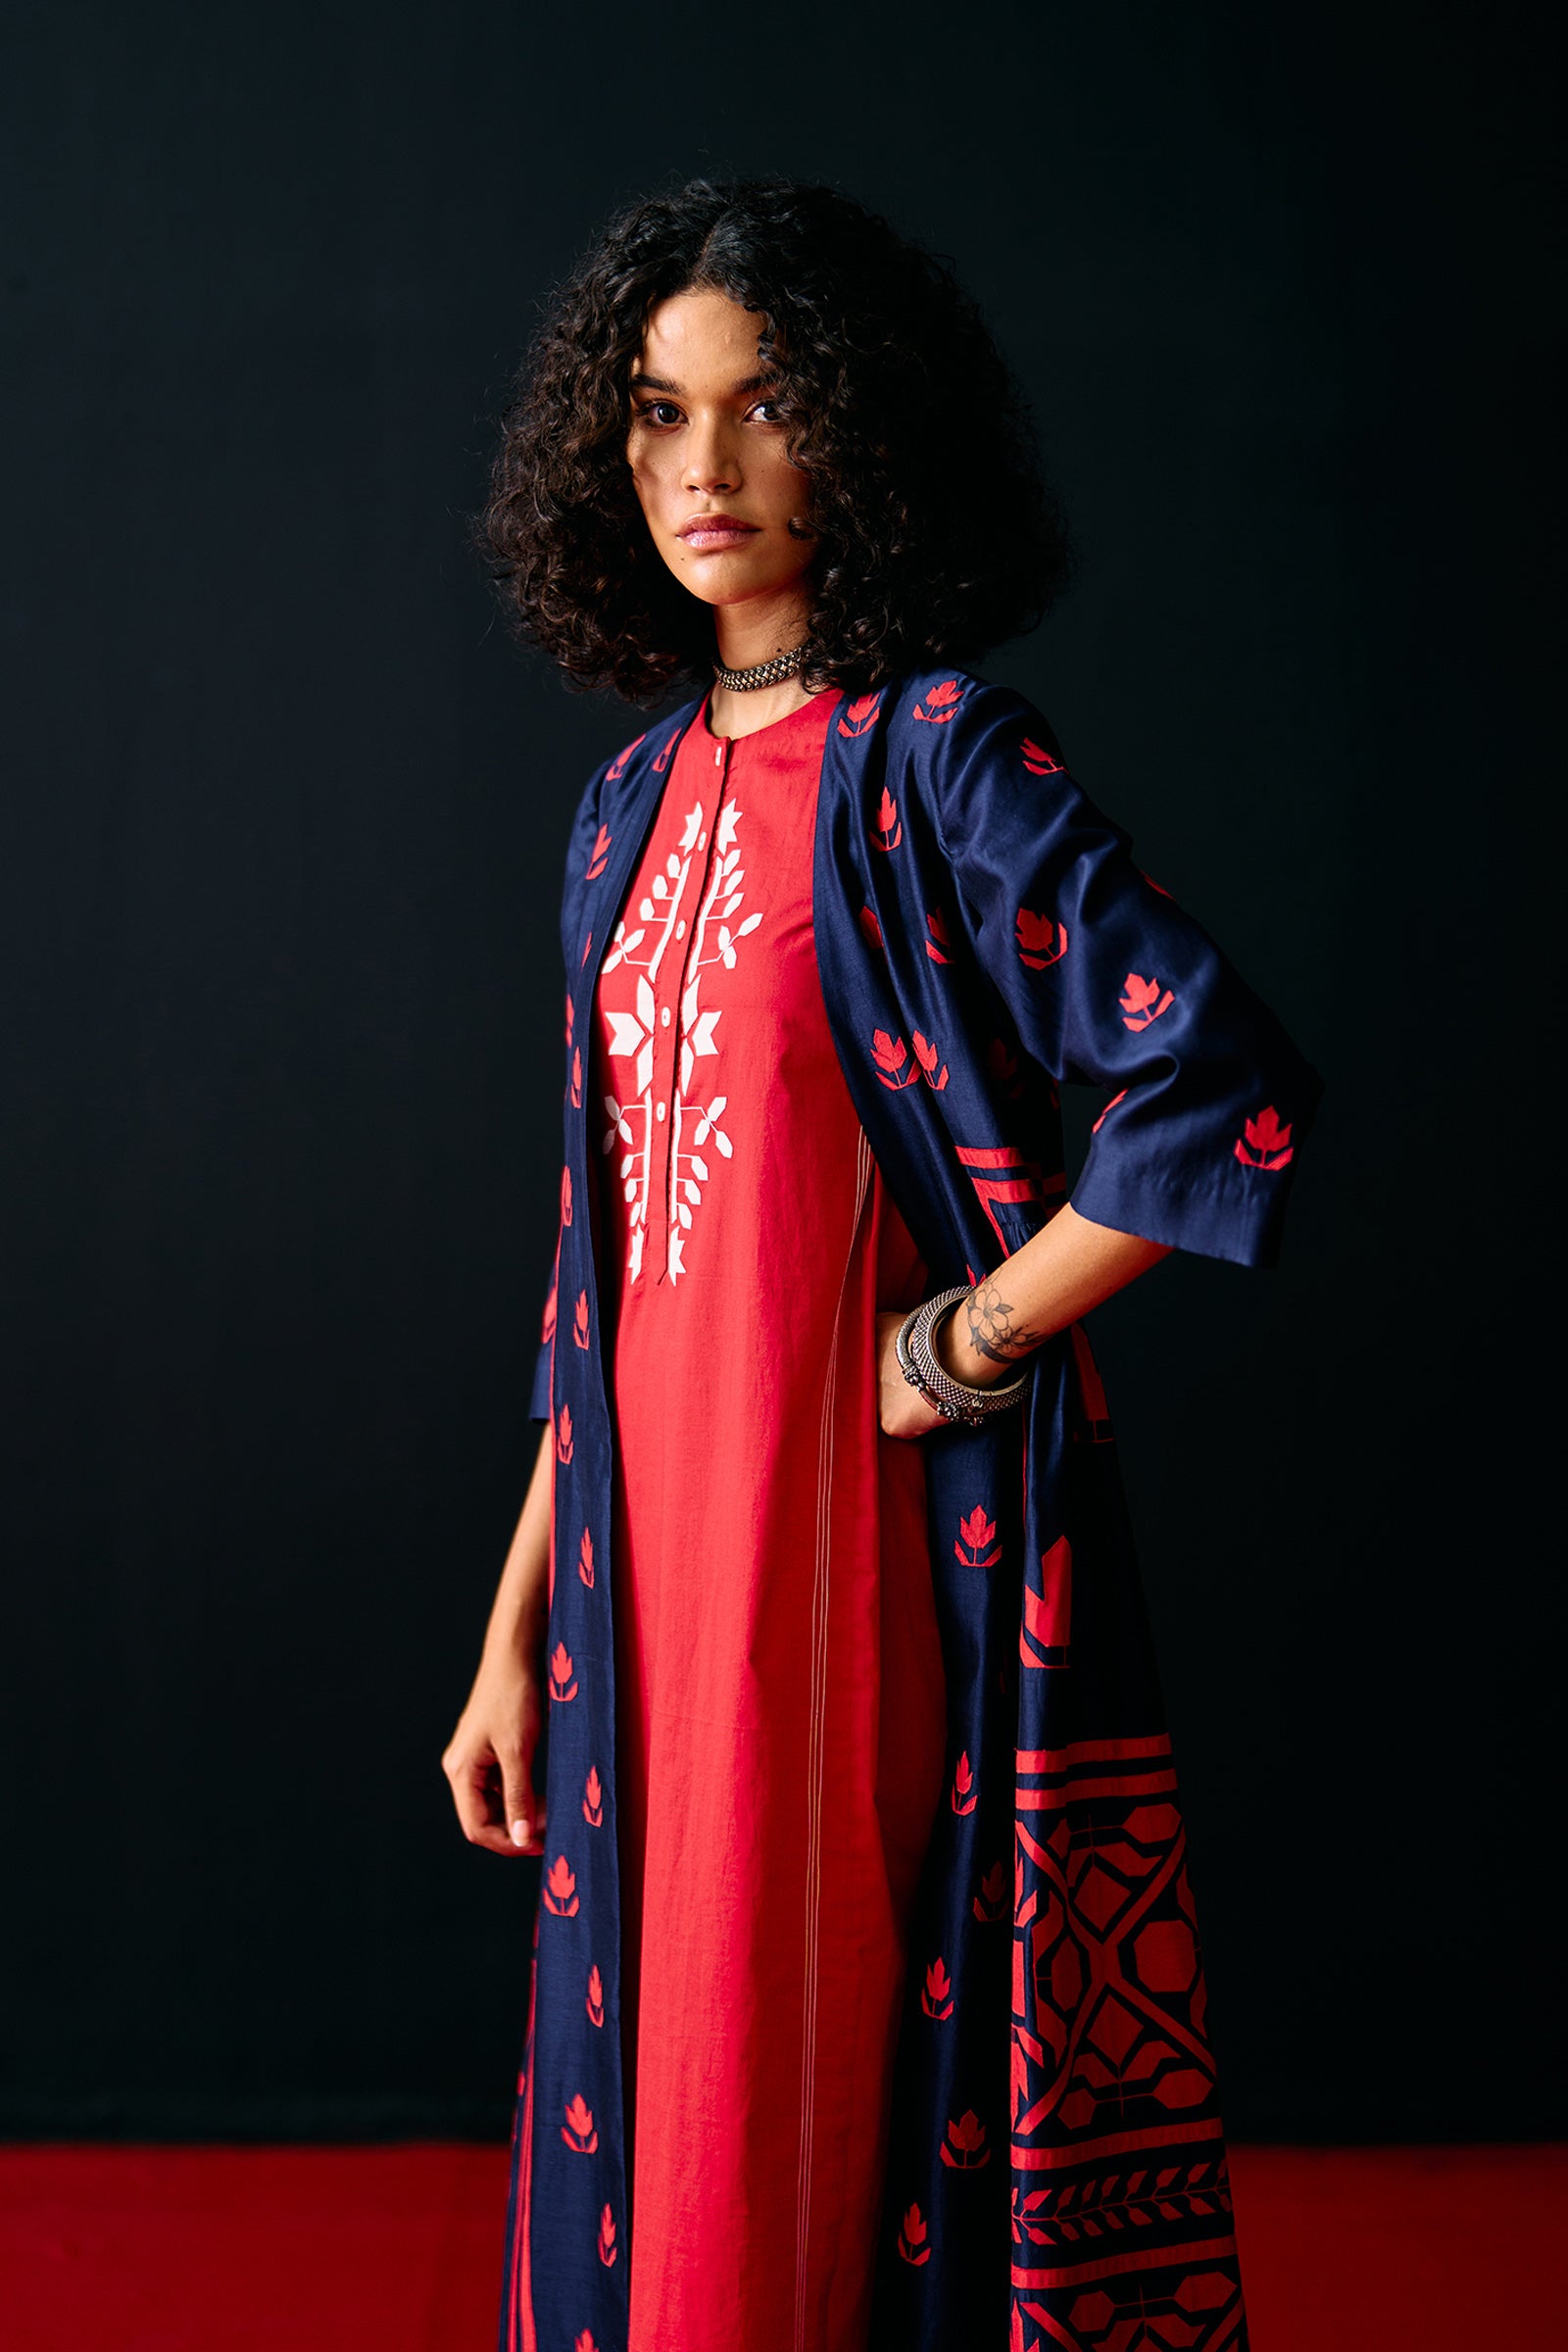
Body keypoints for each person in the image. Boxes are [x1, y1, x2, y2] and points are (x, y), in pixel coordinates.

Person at [442, 177, 1320, 2352]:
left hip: (838, 1551)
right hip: (635, 1572)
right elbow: (600, 1248)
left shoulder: (930, 763)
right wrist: (513, 1620)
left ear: (861, 424)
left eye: (763, 405)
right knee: (648, 2103)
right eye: (658, 414)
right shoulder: (623, 806)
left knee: (800, 2074)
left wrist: (965, 1339)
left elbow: (1210, 1080)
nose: (704, 467)